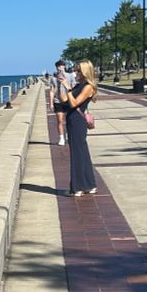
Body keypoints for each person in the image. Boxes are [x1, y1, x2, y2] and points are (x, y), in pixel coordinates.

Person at [60, 59, 98, 196]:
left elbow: (75, 103)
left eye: (78, 70)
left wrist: (68, 88)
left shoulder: (88, 87)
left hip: (78, 122)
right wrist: (62, 86)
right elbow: (64, 101)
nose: (76, 73)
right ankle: (89, 184)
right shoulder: (78, 85)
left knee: (78, 153)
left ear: (85, 72)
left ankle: (78, 187)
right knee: (81, 152)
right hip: (72, 120)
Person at [48, 60, 76, 146]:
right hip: (58, 101)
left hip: (68, 100)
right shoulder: (53, 78)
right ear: (56, 67)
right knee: (60, 120)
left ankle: (69, 135)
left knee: (70, 120)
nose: (60, 68)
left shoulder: (70, 76)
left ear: (64, 66)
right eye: (58, 66)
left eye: (62, 66)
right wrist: (51, 103)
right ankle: (61, 137)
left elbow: (73, 87)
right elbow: (52, 91)